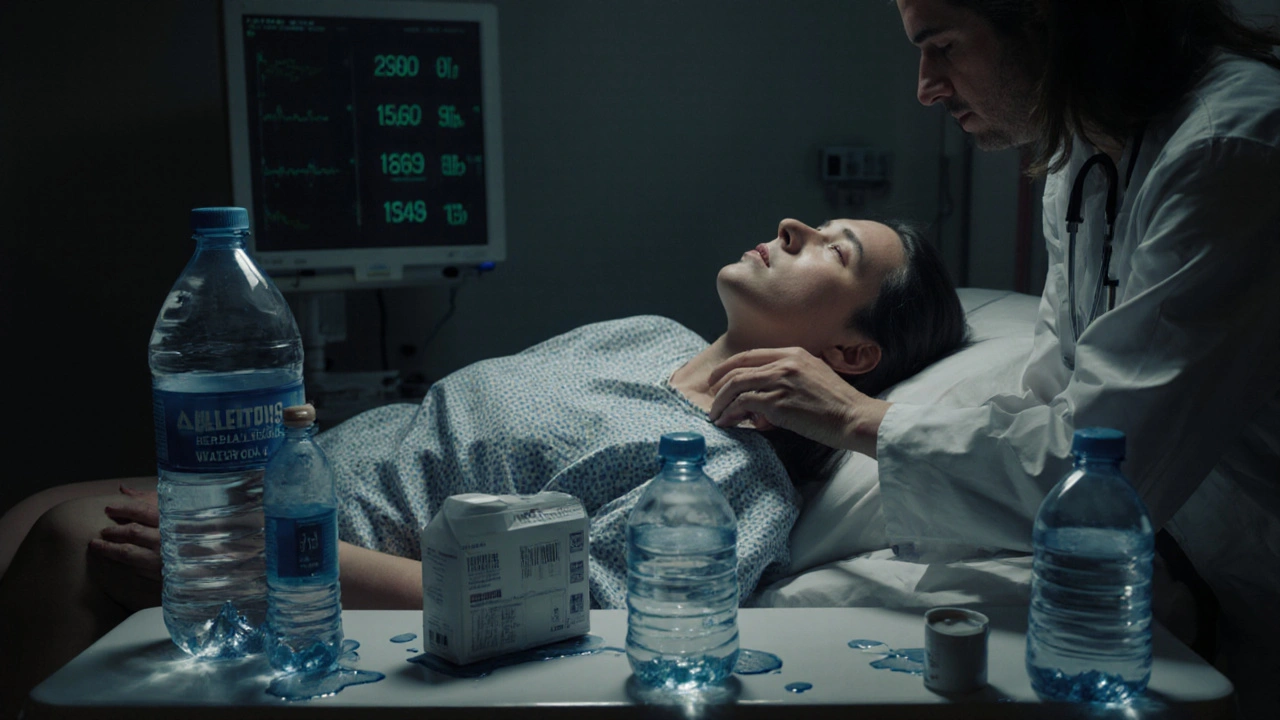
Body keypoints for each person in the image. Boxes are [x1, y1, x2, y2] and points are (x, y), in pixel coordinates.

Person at [0, 216, 968, 716]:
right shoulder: (643, 334)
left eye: (833, 251)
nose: (794, 227)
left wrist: (272, 560)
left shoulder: (721, 483)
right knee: (33, 502)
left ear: (848, 357)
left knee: (60, 536)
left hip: (314, 558)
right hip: (298, 487)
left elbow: (548, 619)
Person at [708, 2, 1280, 716]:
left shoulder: (1232, 150)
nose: (926, 87)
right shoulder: (1084, 157)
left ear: (1046, 20)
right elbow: (1047, 399)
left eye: (942, 46)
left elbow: (1105, 470)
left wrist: (857, 417)